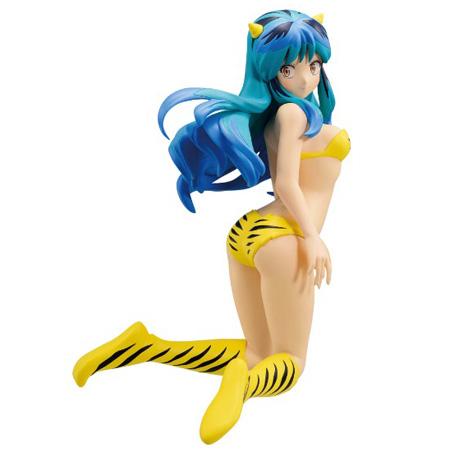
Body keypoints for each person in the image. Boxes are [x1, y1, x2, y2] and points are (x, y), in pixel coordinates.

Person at [72, 9, 350, 445]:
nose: (305, 78)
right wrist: (313, 237)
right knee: (290, 363)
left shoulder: (280, 114)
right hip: (284, 239)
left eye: (313, 65)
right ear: (270, 71)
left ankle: (143, 346)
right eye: (289, 69)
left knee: (256, 351)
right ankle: (242, 384)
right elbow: (286, 183)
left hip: (249, 234)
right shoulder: (293, 116)